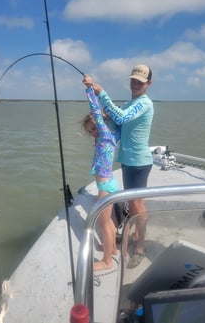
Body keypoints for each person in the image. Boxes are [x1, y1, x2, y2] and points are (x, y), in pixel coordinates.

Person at [83, 64, 154, 268]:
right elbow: (115, 120)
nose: (135, 84)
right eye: (133, 80)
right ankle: (129, 235)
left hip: (139, 162)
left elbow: (120, 117)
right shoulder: (131, 102)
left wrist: (98, 92)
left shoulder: (144, 103)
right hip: (127, 161)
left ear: (148, 84)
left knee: (138, 206)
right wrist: (101, 115)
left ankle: (140, 246)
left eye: (140, 82)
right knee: (131, 205)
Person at [82, 84, 120, 271]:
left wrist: (90, 90)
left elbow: (96, 111)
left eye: (94, 128)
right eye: (90, 131)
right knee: (109, 221)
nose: (93, 133)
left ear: (101, 124)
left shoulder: (105, 134)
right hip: (107, 183)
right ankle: (111, 249)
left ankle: (107, 261)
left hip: (106, 186)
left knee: (104, 224)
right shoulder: (107, 137)